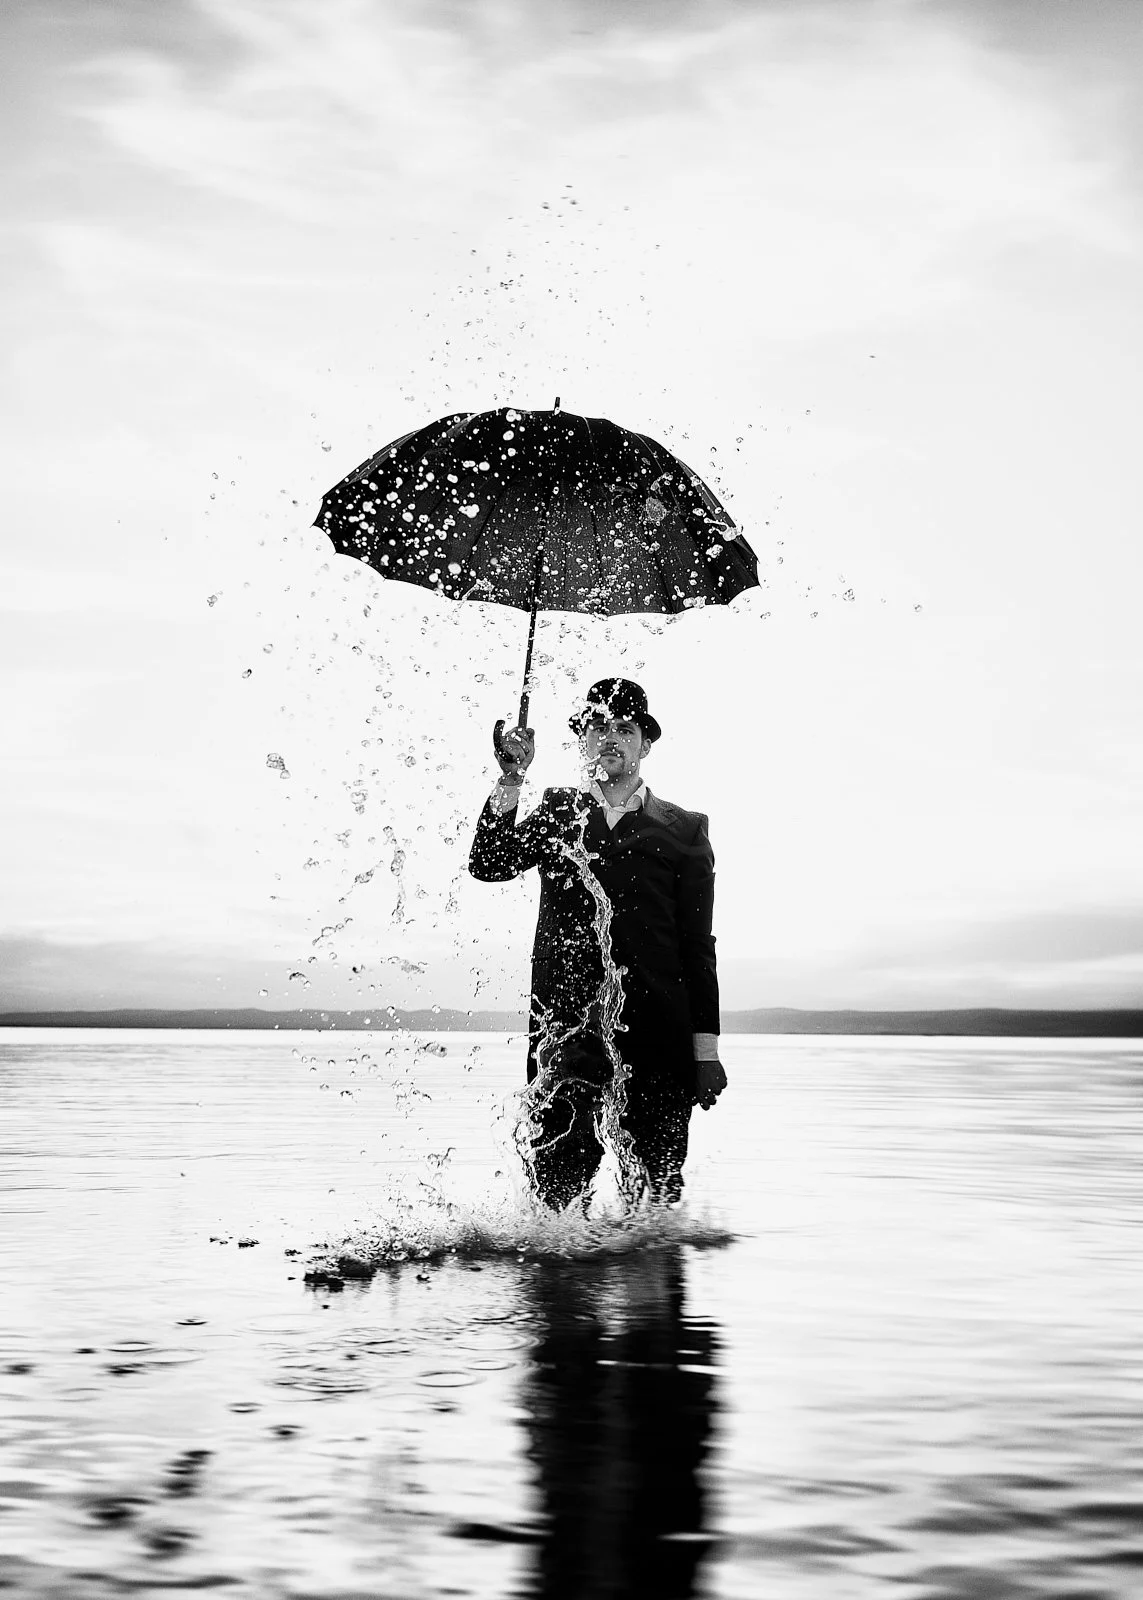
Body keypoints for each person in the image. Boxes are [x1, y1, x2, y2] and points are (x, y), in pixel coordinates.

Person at [468, 677, 726, 1210]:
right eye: (597, 727)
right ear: (583, 742)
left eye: (624, 729)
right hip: (565, 1031)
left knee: (654, 1207)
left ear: (645, 743)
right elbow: (488, 864)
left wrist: (706, 1053)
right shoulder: (559, 811)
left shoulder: (684, 830)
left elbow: (698, 947)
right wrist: (512, 779)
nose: (610, 737)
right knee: (555, 1202)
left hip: (659, 1034)